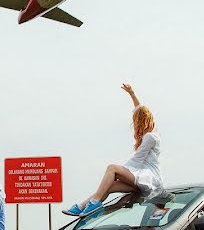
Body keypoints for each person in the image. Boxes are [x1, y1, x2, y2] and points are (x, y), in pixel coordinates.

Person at [63, 83, 168, 217]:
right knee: (110, 186)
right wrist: (132, 94)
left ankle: (93, 203)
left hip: (150, 180)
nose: (134, 124)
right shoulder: (150, 134)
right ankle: (84, 207)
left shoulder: (150, 137)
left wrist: (120, 171)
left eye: (136, 121)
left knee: (112, 168)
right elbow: (139, 109)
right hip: (142, 179)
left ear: (141, 121)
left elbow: (138, 159)